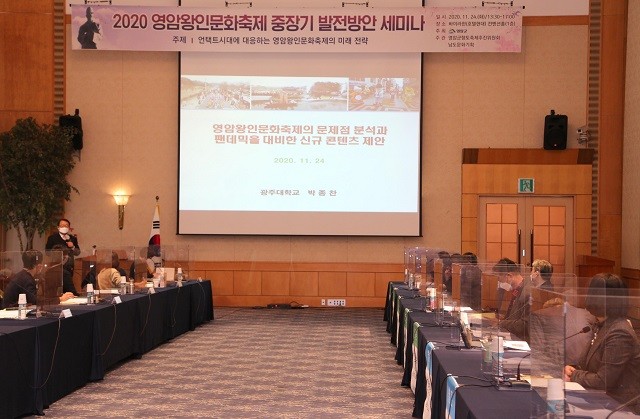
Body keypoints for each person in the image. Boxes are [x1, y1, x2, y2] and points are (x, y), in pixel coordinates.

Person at [564, 273, 640, 413]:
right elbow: (587, 365)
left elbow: (603, 381)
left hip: (619, 408)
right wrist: (572, 368)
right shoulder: (602, 324)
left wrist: (574, 375)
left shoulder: (619, 332)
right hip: (600, 400)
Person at [1, 250, 74, 308]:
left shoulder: (23, 275)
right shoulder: (26, 279)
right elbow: (35, 301)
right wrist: (60, 299)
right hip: (11, 312)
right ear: (39, 266)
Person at [493, 258, 531, 341]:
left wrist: (501, 323)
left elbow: (524, 325)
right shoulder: (517, 291)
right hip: (512, 336)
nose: (500, 285)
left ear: (509, 276)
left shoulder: (527, 293)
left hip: (521, 340)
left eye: (500, 281)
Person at [45, 218, 80, 294]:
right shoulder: (52, 238)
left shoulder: (72, 238)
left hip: (69, 267)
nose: (64, 227)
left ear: (69, 228)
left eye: (66, 226)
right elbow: (47, 252)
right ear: (58, 227)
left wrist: (73, 247)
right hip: (57, 267)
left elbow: (77, 252)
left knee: (68, 287)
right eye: (62, 225)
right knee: (57, 289)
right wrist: (57, 253)